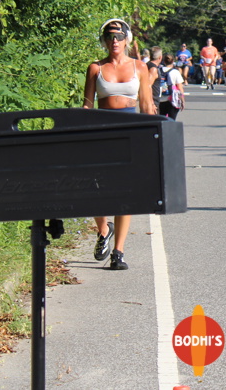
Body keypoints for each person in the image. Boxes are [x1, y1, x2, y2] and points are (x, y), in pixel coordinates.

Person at [81, 19, 156, 271]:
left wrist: (151, 138)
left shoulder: (139, 67)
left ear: (127, 40)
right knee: (95, 187)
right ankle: (104, 230)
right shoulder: (95, 67)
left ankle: (118, 251)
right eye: (110, 37)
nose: (114, 41)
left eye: (119, 37)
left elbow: (146, 105)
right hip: (101, 131)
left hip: (129, 131)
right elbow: (87, 104)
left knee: (126, 192)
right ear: (104, 40)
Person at [159, 54, 185, 120]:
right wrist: (182, 100)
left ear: (164, 61)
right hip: (172, 99)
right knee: (172, 119)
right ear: (173, 61)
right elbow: (180, 87)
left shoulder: (158, 70)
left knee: (161, 119)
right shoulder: (175, 72)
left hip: (160, 99)